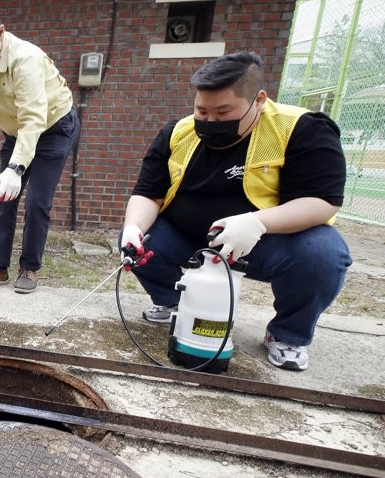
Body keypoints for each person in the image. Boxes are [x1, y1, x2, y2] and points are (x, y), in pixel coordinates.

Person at [120, 51, 351, 372]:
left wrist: (258, 222)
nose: (210, 121)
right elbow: (148, 193)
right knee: (141, 240)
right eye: (202, 110)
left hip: (264, 241)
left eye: (223, 112)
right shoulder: (178, 133)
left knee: (322, 254)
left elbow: (322, 201)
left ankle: (287, 334)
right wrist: (133, 227)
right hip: (188, 238)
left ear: (258, 100)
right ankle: (173, 302)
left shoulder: (300, 130)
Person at [0, 0, 80, 294]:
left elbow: (34, 118)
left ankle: (29, 268)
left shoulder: (26, 60)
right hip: (15, 130)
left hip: (52, 128)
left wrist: (16, 168)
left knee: (37, 202)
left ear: (0, 32)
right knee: (3, 198)